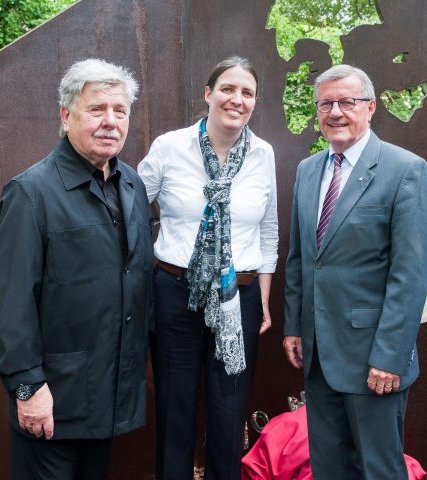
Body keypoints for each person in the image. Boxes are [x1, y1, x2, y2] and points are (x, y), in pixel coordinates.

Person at [0, 58, 153, 480]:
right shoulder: (30, 193)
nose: (110, 122)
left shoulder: (131, 184)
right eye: (97, 110)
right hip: (52, 399)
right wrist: (27, 387)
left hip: (106, 397)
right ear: (66, 115)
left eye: (120, 111)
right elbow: (11, 303)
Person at [283, 64, 427, 479]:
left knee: (378, 470)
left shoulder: (405, 170)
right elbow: (300, 257)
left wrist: (390, 356)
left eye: (346, 102)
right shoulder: (307, 170)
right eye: (326, 103)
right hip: (317, 356)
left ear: (370, 107)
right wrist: (295, 326)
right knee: (329, 469)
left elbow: (411, 274)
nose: (335, 112)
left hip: (374, 360)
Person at [137, 56, 278, 480]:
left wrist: (264, 302)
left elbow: (268, 231)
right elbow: (129, 209)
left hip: (240, 298)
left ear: (255, 101)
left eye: (247, 93)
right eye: (228, 89)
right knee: (174, 409)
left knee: (229, 411)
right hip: (175, 293)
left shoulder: (262, 153)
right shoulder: (169, 146)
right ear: (208, 94)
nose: (237, 99)